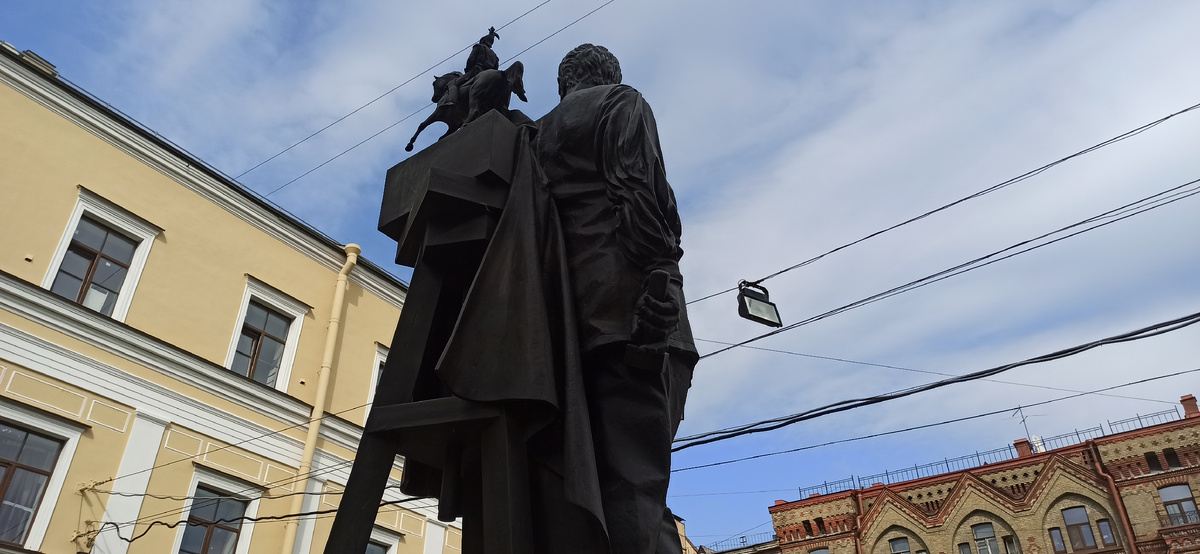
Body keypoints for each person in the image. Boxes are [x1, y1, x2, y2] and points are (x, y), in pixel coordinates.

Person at [535, 43, 698, 554]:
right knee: (637, 479)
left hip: (567, 319)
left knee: (604, 476)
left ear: (564, 83)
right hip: (637, 305)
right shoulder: (619, 103)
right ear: (609, 74)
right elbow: (636, 188)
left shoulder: (534, 136)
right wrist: (659, 271)